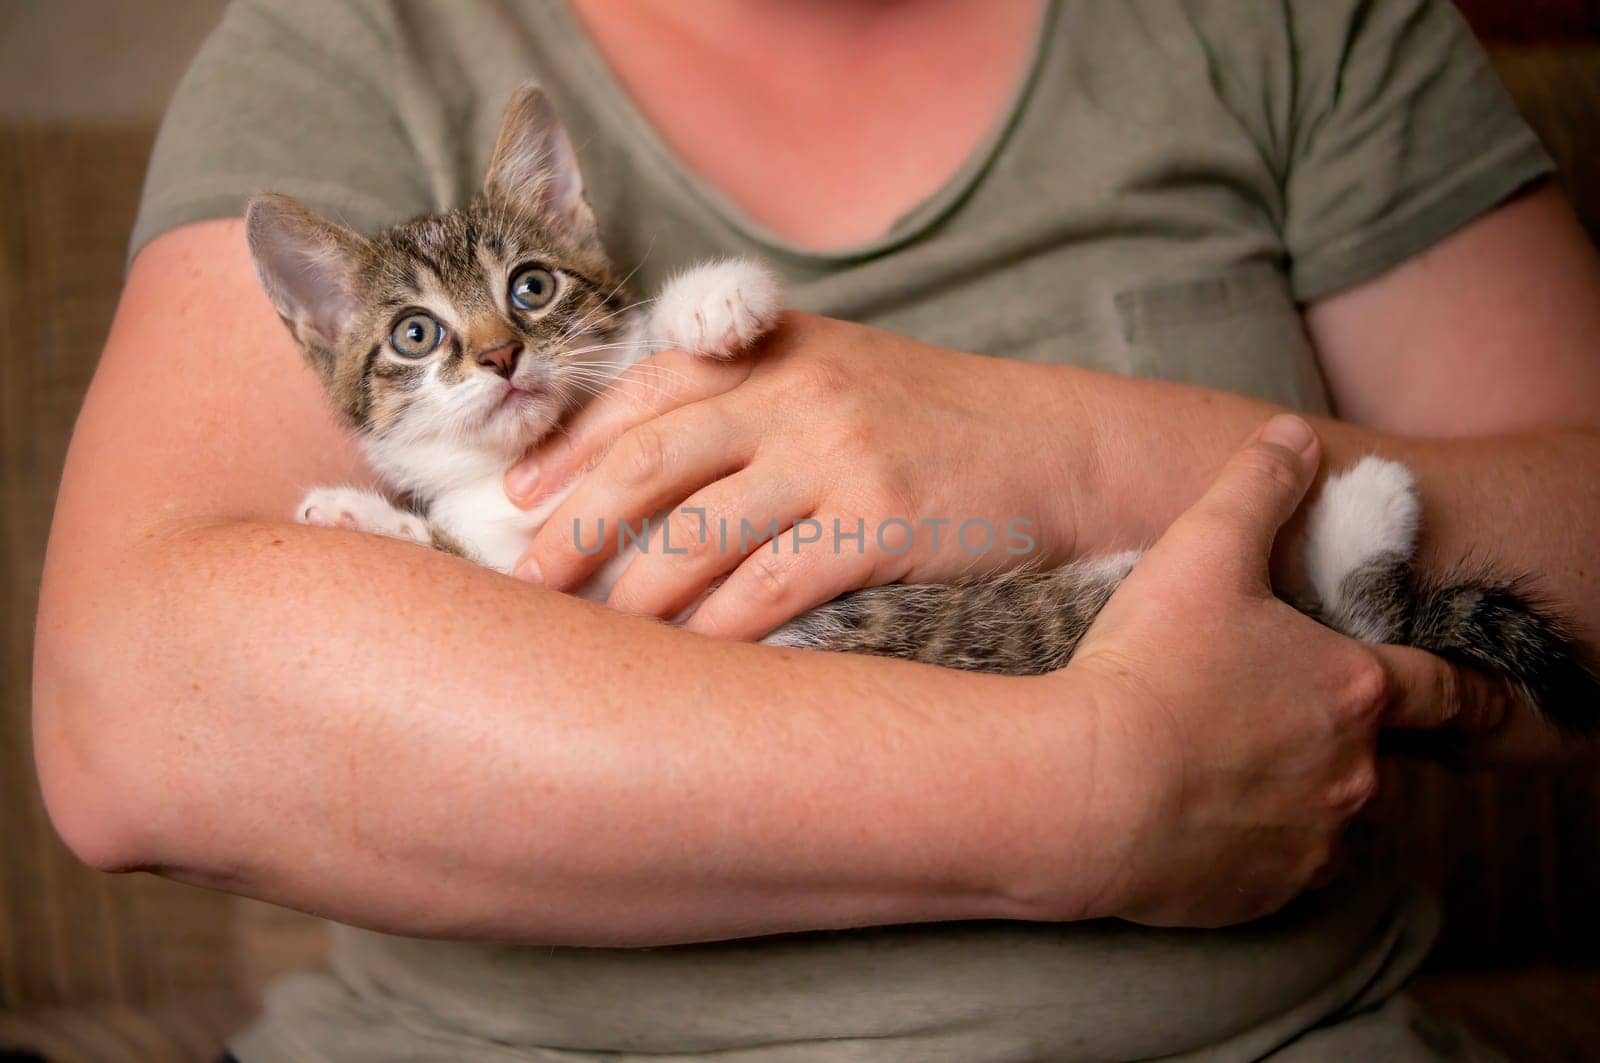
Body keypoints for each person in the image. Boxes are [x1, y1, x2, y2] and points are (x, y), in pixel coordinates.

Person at [32, 0, 1599, 1059]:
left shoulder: (1292, 26)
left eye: (514, 303)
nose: (499, 353)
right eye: (438, 341)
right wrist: (1092, 795)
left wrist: (1075, 443)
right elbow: (140, 723)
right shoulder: (347, 41)